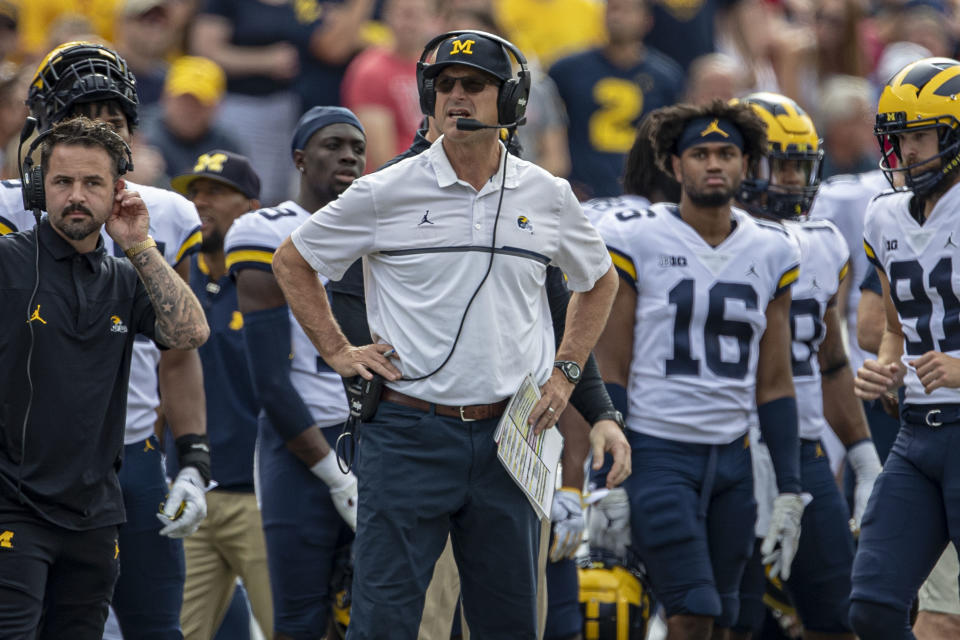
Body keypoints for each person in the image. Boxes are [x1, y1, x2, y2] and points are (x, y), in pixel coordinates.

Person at [272, 30, 623, 638]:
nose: (457, 97)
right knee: (383, 626)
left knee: (509, 627)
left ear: (510, 103)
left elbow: (599, 281)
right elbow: (293, 260)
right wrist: (337, 349)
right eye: (445, 86)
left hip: (510, 438)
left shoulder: (548, 194)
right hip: (406, 434)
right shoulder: (386, 189)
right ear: (427, 99)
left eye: (476, 86)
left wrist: (566, 375)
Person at [2, 41, 210, 639]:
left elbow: (183, 345)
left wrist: (193, 457)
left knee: (154, 624)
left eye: (111, 123)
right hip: (21, 467)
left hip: (125, 455)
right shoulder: (9, 235)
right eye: (80, 121)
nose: (78, 191)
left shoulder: (156, 224)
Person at [594, 99, 804, 640]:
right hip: (657, 452)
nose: (714, 164)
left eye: (727, 153)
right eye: (701, 153)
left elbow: (775, 381)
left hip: (733, 458)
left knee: (731, 619)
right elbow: (609, 363)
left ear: (746, 163)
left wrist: (789, 488)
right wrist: (603, 478)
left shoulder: (772, 248)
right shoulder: (637, 235)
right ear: (673, 164)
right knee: (694, 609)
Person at [730, 92, 882, 640]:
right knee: (730, 617)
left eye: (801, 166)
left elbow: (832, 360)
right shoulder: (692, 239)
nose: (794, 181)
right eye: (782, 165)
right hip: (724, 445)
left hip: (804, 446)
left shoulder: (823, 243)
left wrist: (864, 457)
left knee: (841, 613)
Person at [224, 106, 364, 639]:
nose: (349, 154)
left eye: (357, 145)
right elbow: (271, 381)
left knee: (378, 615)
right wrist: (331, 472)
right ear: (301, 159)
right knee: (301, 618)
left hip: (376, 437)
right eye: (333, 145)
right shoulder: (267, 230)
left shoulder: (383, 232)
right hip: (299, 442)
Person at [850, 56, 960, 640]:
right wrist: (888, 365)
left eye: (920, 136)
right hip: (918, 434)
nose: (906, 152)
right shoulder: (885, 215)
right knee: (872, 604)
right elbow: (895, 322)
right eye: (899, 138)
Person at [169, 150, 273, 639]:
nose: (200, 202)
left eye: (216, 192)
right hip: (191, 492)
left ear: (251, 208)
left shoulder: (272, 284)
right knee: (176, 631)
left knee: (292, 629)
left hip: (260, 498)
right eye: (194, 192)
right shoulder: (172, 283)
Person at [548, 0, 683, 199]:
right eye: (612, 9)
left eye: (627, 10)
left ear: (648, 20)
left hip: (641, 197)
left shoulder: (667, 77)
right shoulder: (566, 70)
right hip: (580, 193)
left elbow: (670, 144)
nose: (617, 17)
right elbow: (551, 131)